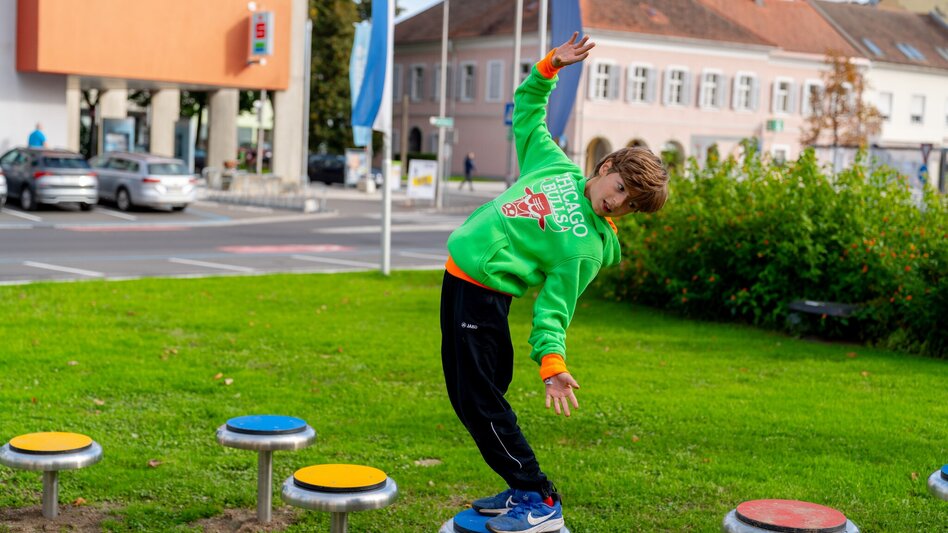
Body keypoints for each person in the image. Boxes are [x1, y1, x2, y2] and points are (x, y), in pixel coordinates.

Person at [440, 33, 668, 533]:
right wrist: (550, 67)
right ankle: (516, 486)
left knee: (479, 401)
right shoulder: (556, 167)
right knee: (472, 397)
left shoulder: (585, 247)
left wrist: (552, 363)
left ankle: (538, 496)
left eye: (630, 205)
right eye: (621, 189)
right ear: (607, 168)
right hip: (457, 281)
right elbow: (526, 112)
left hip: (485, 295)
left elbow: (555, 309)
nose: (619, 203)